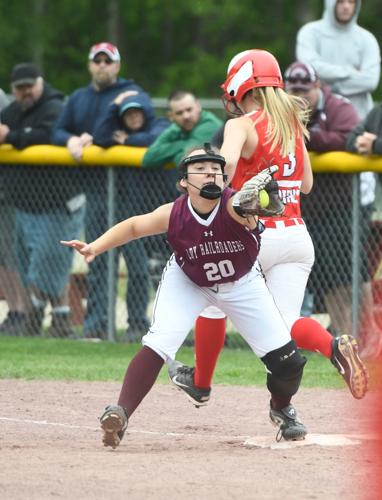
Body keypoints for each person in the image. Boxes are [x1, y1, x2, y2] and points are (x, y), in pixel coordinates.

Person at [62, 145, 309, 448]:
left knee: (288, 362)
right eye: (201, 168)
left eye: (216, 169)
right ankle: (120, 414)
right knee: (159, 342)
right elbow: (134, 226)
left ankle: (282, 409)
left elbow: (245, 209)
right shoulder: (175, 213)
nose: (210, 173)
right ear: (184, 182)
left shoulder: (236, 205)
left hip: (242, 283)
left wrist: (251, 205)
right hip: (188, 280)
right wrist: (94, 247)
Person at [168, 50, 368, 408]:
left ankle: (201, 383)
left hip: (255, 236)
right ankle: (332, 345)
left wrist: (208, 183)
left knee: (211, 304)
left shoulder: (240, 125)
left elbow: (225, 165)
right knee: (285, 322)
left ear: (240, 85)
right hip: (296, 236)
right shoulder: (292, 122)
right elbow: (305, 184)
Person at [52, 42, 155, 340]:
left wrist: (95, 133)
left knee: (135, 263)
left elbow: (136, 131)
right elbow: (58, 130)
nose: (101, 66)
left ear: (117, 66)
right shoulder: (79, 98)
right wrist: (69, 141)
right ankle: (96, 325)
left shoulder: (132, 95)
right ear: (89, 65)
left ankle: (137, 325)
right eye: (96, 61)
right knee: (96, 258)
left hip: (131, 192)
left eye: (107, 61)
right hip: (97, 191)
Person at [296, 0, 381, 351]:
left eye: (352, 0)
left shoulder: (366, 41)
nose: (345, 5)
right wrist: (351, 72)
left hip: (349, 193)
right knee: (331, 275)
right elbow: (358, 79)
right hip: (315, 205)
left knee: (355, 269)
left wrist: (329, 71)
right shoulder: (310, 32)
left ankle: (369, 338)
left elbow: (372, 79)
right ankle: (349, 340)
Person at [0, 62, 84, 337]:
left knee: (50, 260)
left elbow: (48, 134)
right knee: (31, 263)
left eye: (29, 86)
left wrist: (11, 136)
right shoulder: (14, 110)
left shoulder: (54, 106)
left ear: (40, 83)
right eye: (19, 88)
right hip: (26, 205)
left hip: (59, 203)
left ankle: (38, 312)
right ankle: (59, 319)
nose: (25, 92)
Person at [93, 90, 171, 339]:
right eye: (128, 113)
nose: (134, 117)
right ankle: (134, 325)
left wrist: (127, 141)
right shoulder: (115, 128)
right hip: (131, 212)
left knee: (159, 275)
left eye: (137, 111)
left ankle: (152, 326)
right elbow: (99, 138)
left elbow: (158, 138)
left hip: (160, 211)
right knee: (136, 269)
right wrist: (113, 106)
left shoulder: (159, 124)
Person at [347, 104, 382, 357]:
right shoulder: (378, 112)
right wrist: (363, 142)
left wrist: (377, 145)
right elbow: (351, 139)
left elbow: (373, 144)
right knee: (368, 276)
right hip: (379, 213)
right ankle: (372, 339)